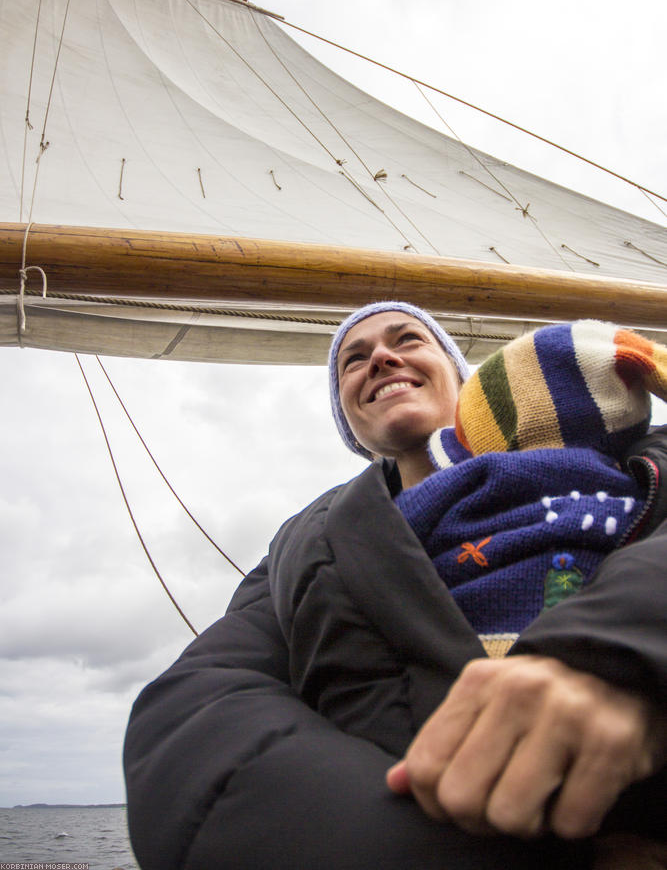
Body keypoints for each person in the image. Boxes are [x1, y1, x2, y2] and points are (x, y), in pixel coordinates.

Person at [124, 301, 667, 870]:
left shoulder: (637, 460)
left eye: (407, 339)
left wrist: (618, 655)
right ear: (349, 418)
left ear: (463, 379)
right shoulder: (306, 545)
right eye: (353, 361)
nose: (380, 357)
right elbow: (196, 712)